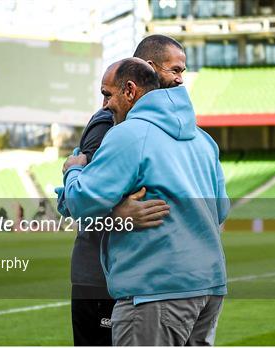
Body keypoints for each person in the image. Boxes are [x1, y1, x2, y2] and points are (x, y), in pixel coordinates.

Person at [61, 57, 229, 346]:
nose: (104, 105)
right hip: (208, 288)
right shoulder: (203, 139)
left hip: (156, 291)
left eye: (107, 94)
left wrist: (73, 170)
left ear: (129, 90)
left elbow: (79, 202)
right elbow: (221, 209)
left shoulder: (127, 133)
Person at [58, 34, 188, 346]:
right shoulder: (108, 121)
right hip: (101, 277)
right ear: (149, 69)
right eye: (175, 70)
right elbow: (74, 201)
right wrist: (119, 215)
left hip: (146, 279)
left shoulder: (170, 126)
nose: (181, 80)